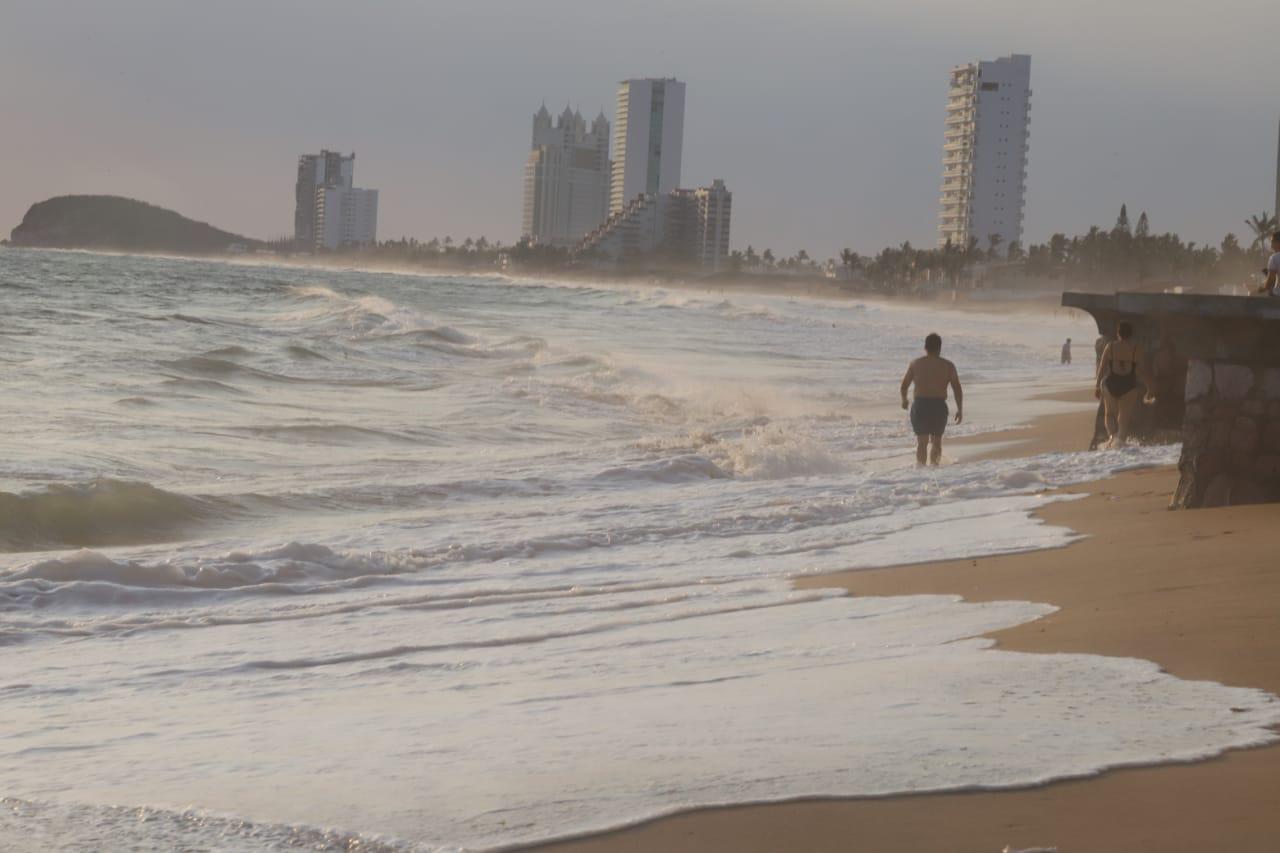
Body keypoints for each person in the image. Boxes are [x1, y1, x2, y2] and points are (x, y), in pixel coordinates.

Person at [900, 333, 963, 466]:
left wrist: (904, 400)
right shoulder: (948, 365)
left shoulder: (915, 363)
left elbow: (904, 386)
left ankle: (920, 471)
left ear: (925, 347)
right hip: (938, 407)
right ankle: (934, 470)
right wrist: (960, 409)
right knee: (936, 442)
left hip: (920, 406)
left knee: (921, 443)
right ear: (939, 347)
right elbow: (957, 388)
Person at [1095, 321, 1154, 447]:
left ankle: (1112, 437)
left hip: (1111, 384)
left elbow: (1102, 367)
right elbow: (1141, 370)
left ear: (1118, 333)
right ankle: (1120, 443)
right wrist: (1150, 387)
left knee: (1109, 414)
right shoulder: (1136, 349)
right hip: (1129, 386)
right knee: (1124, 418)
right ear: (1131, 335)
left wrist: (1097, 386)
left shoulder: (1110, 347)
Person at [1256, 231, 1280, 296]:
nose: (1271, 244)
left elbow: (1271, 280)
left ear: (1278, 242)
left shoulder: (1274, 258)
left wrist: (1262, 289)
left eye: (1272, 241)